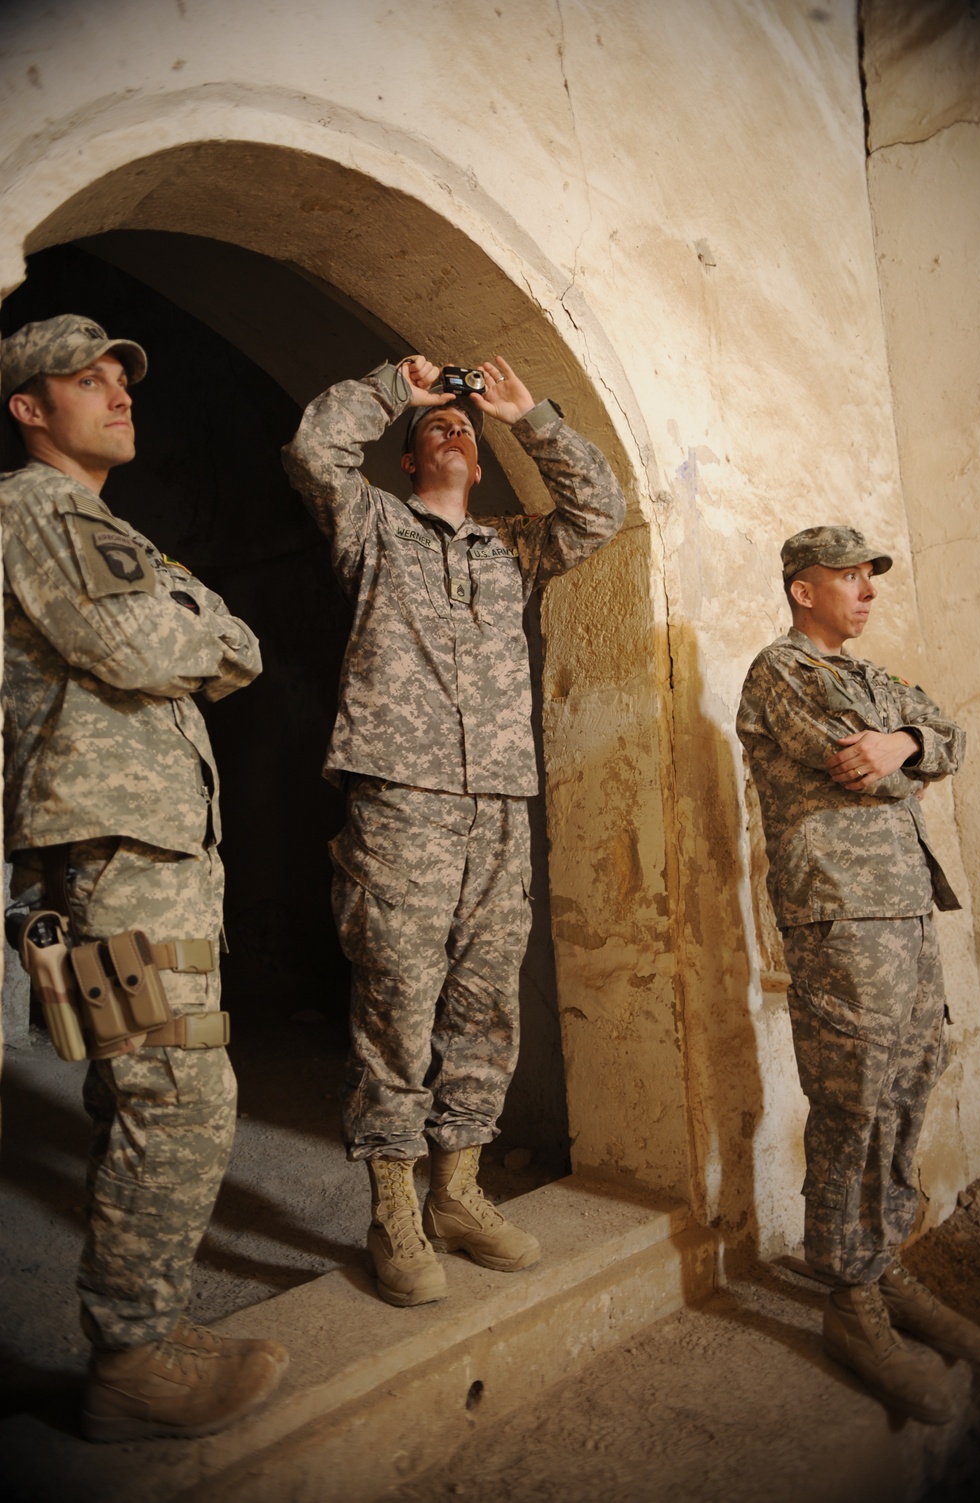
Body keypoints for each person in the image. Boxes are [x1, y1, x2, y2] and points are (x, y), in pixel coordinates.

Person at [283, 353, 625, 1306]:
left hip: (501, 806)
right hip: (404, 798)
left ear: (479, 466)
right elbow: (314, 450)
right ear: (407, 461)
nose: (454, 430)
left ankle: (459, 1193)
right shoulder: (373, 527)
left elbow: (601, 511)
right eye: (440, 427)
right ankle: (393, 1205)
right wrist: (404, 386)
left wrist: (529, 418)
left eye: (465, 432)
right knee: (397, 996)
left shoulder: (510, 548)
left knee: (485, 1002)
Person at [1, 314, 288, 1441]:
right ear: (30, 408)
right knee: (180, 1092)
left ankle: (143, 1329)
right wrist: (195, 624)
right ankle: (131, 1359)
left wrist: (197, 623)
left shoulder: (105, 526)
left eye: (123, 376)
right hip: (112, 842)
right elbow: (142, 650)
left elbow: (246, 643)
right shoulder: (41, 508)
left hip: (140, 840)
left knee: (143, 1086)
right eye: (88, 379)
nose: (119, 392)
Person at [737, 525, 980, 1423]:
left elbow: (948, 737)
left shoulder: (876, 680)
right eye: (849, 576)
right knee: (856, 1093)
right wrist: (897, 758)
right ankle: (849, 1299)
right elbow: (857, 762)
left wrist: (909, 742)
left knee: (911, 1078)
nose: (867, 590)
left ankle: (882, 1263)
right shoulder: (782, 671)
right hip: (841, 909)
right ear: (804, 589)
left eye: (870, 576)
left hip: (907, 904)